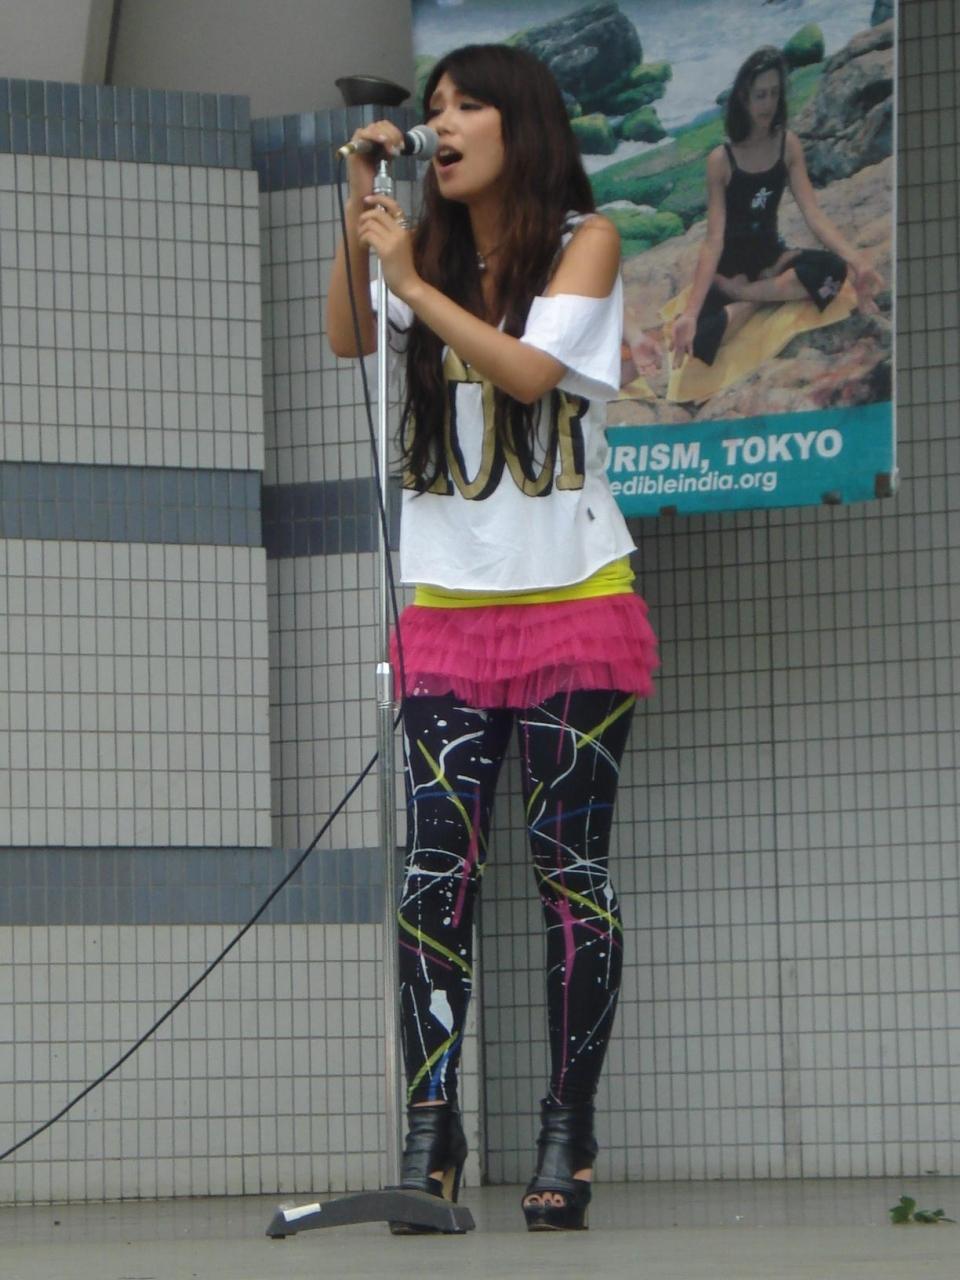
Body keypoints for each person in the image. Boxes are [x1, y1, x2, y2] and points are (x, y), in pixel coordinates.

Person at [327, 43, 658, 1233]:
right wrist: (360, 206)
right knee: (434, 872)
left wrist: (410, 281)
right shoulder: (420, 252)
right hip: (448, 613)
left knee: (570, 872)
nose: (446, 124)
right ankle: (433, 1130)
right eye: (433, 110)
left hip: (572, 601)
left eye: (468, 106)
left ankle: (568, 1131)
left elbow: (526, 374)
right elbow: (348, 338)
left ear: (521, 122)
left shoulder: (585, 240)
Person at [670, 45, 882, 368]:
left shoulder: (788, 145)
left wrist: (857, 262)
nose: (768, 104)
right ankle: (762, 295)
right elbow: (713, 240)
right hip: (731, 268)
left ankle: (747, 296)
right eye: (760, 95)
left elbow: (813, 214)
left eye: (774, 93)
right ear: (743, 98)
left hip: (772, 260)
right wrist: (689, 312)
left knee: (833, 271)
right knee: (699, 340)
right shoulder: (721, 160)